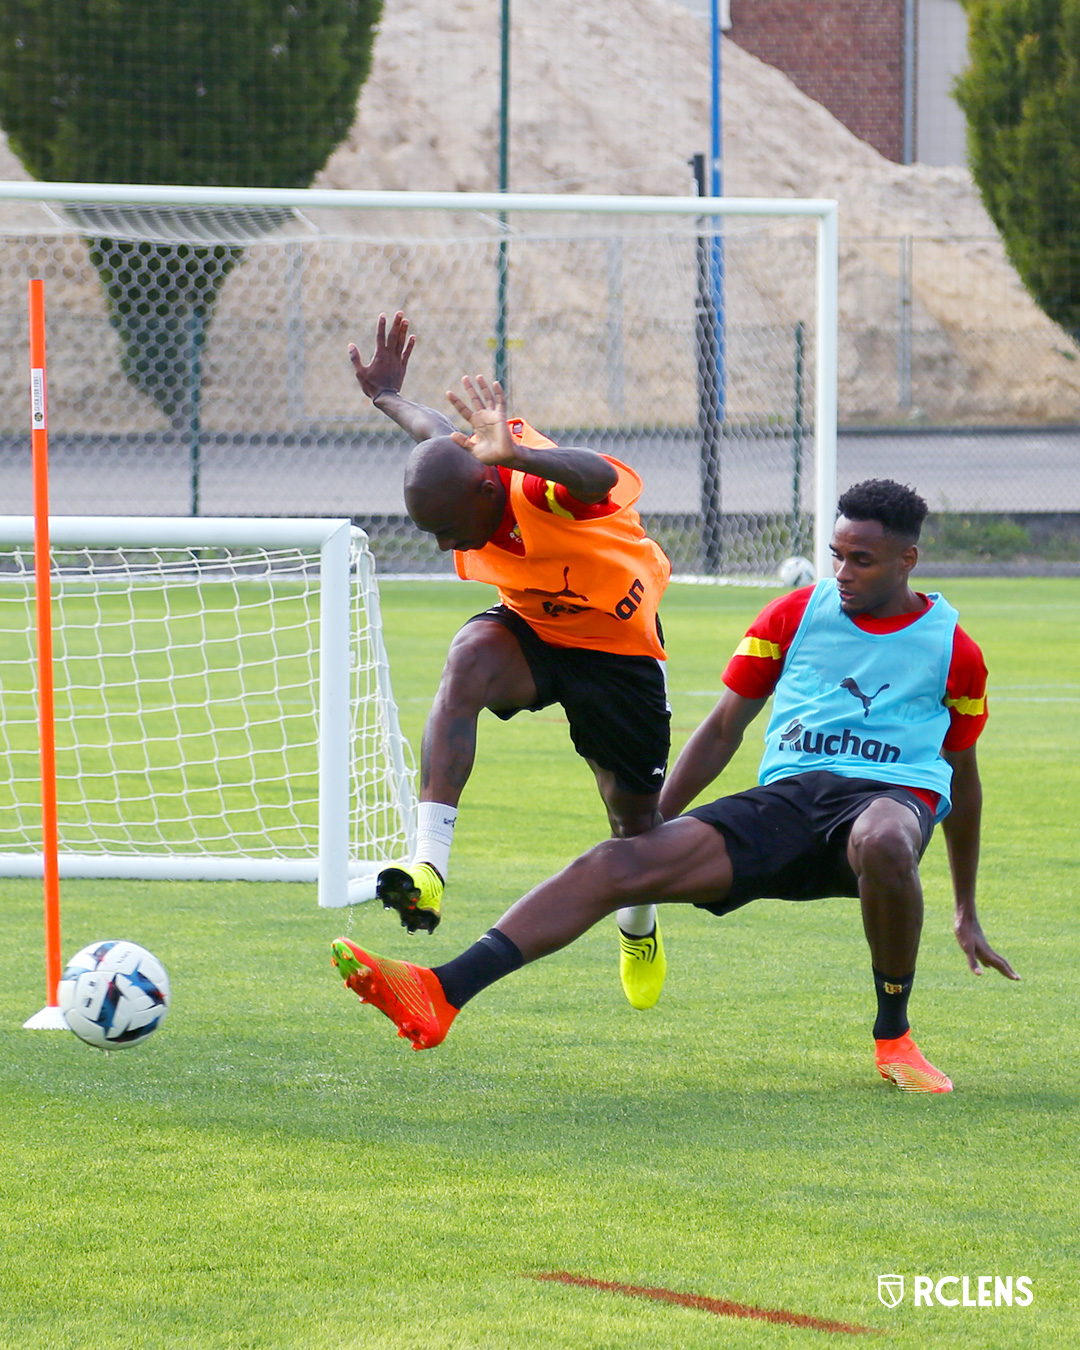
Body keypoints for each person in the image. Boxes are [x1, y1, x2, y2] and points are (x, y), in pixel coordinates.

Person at [331, 478, 1021, 1094]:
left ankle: (893, 1035)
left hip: (889, 803)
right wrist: (653, 830)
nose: (842, 571)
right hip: (787, 807)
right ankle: (441, 991)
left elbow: (961, 775)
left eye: (861, 560)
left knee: (886, 836)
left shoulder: (953, 647)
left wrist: (965, 907)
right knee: (615, 864)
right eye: (836, 554)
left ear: (908, 560)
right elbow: (723, 730)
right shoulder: (793, 617)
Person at [348, 311, 673, 1010]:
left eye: (447, 530)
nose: (443, 548)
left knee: (634, 827)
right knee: (468, 657)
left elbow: (592, 476)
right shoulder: (460, 461)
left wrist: (519, 456)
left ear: (487, 489)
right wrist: (385, 396)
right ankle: (428, 865)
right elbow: (432, 429)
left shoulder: (530, 482)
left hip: (618, 649)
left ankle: (639, 927)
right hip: (532, 630)